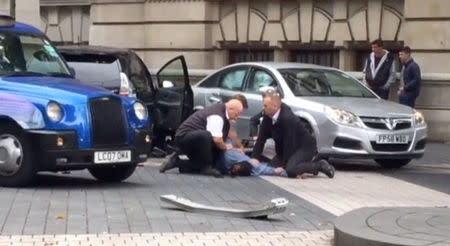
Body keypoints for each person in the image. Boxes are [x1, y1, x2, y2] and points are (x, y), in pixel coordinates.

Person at [251, 91, 335, 178]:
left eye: (265, 106)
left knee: (290, 170)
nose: (263, 108)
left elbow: (289, 145)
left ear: (275, 106)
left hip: (305, 146)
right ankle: (303, 167)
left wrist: (284, 167)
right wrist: (255, 157)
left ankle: (319, 165)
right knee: (271, 167)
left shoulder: (287, 118)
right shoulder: (267, 116)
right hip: (286, 149)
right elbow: (261, 138)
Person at [159, 95, 248, 177]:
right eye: (236, 114)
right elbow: (217, 139)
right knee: (206, 135)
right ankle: (206, 167)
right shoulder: (217, 116)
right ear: (230, 109)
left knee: (213, 162)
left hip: (198, 140)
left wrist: (235, 147)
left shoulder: (224, 114)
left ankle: (178, 163)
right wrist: (225, 147)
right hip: (184, 138)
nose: (236, 118)